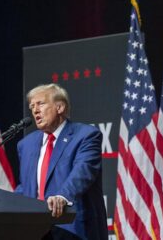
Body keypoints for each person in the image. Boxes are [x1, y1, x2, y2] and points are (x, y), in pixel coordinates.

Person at [15, 83, 108, 240]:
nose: (35, 110)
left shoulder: (86, 135)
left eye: (41, 104)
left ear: (60, 107)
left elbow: (83, 172)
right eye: (32, 106)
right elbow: (25, 187)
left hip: (73, 229)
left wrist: (63, 196)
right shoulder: (26, 144)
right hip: (35, 231)